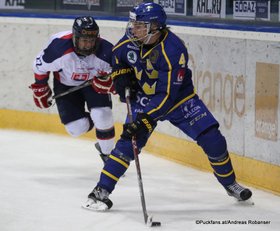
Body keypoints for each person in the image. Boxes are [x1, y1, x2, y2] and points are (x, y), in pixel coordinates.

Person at [83, 2, 252, 211]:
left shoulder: (174, 50)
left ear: (155, 27)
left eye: (139, 25)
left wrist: (146, 119)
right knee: (128, 143)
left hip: (179, 100)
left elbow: (168, 95)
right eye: (133, 24)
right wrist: (121, 76)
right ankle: (101, 191)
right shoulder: (131, 40)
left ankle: (230, 184)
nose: (133, 29)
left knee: (213, 140)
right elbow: (118, 56)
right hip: (144, 99)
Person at [30, 16, 115, 163]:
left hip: (93, 84)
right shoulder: (58, 48)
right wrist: (40, 86)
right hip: (65, 83)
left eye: (91, 40)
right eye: (84, 40)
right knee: (76, 129)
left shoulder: (107, 51)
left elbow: (121, 75)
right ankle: (99, 128)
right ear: (75, 38)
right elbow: (39, 66)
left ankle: (109, 156)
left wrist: (110, 82)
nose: (88, 45)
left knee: (102, 116)